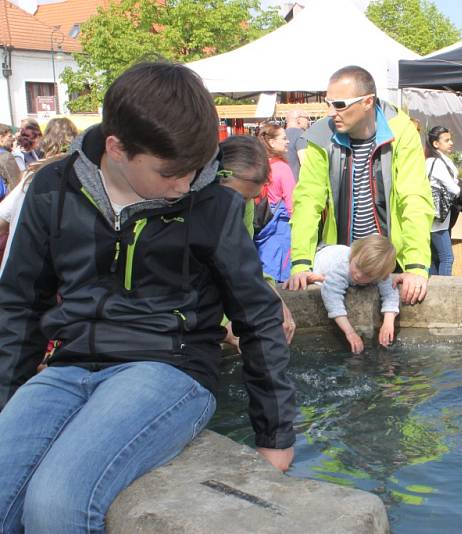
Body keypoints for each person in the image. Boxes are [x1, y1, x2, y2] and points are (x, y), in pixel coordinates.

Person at [0, 62, 296, 533]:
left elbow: (256, 316)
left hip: (169, 367)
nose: (187, 183)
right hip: (68, 366)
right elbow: (19, 302)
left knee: (57, 505)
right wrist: (10, 403)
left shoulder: (214, 204)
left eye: (197, 167)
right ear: (117, 148)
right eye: (171, 172)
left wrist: (275, 436)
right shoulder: (52, 189)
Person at [286, 65, 433, 305]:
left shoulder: (402, 131)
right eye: (328, 103)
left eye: (340, 104)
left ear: (367, 102)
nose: (332, 112)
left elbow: (415, 198)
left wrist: (416, 266)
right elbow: (307, 201)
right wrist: (301, 263)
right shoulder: (320, 135)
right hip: (342, 261)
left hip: (388, 260)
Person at [217, 135, 296, 347]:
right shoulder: (188, 208)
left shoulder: (246, 203)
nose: (242, 205)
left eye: (250, 198)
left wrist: (275, 298)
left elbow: (244, 257)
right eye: (240, 197)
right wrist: (221, 325)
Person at [0, 117, 80, 276]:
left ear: (47, 140)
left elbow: (1, 219)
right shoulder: (85, 175)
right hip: (62, 275)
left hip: (27, 275)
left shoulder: (36, 173)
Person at [306, 235, 399, 354]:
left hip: (337, 258)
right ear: (354, 253)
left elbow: (390, 293)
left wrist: (388, 322)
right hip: (321, 255)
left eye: (367, 275)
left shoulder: (377, 270)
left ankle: (326, 279)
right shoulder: (343, 267)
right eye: (358, 266)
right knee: (329, 282)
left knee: (338, 280)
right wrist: (349, 332)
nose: (359, 275)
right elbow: (332, 298)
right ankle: (323, 278)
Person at [255, 123, 295, 282]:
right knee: (282, 273)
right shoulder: (282, 168)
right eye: (284, 138)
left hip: (263, 223)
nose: (288, 142)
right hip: (280, 227)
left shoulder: (261, 166)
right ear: (271, 142)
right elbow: (292, 202)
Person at [425, 126, 460, 276]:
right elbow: (454, 189)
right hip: (438, 218)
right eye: (446, 140)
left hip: (431, 215)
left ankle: (431, 291)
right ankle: (444, 292)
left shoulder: (429, 160)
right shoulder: (438, 163)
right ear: (436, 144)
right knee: (447, 257)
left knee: (434, 258)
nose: (451, 143)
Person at [284, 109, 309, 181]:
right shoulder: (301, 135)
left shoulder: (279, 135)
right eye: (307, 118)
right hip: (295, 184)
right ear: (299, 120)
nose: (308, 121)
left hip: (280, 182)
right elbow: (304, 162)